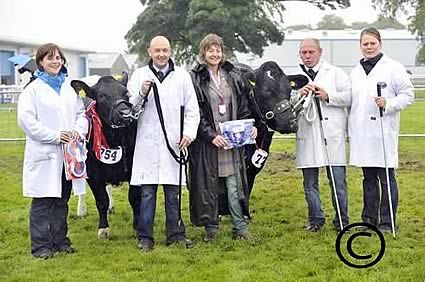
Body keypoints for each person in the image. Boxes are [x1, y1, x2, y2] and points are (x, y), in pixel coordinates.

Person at [128, 35, 200, 251]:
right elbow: (130, 108)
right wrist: (142, 92)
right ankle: (145, 237)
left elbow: (192, 109)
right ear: (149, 51)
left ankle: (176, 234)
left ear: (170, 52)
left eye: (165, 50)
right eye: (157, 50)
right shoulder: (139, 75)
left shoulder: (182, 77)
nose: (161, 54)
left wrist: (189, 133)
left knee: (173, 191)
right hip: (148, 144)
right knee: (147, 192)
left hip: (174, 142)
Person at [17, 43, 88, 259]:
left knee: (62, 200)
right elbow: (26, 121)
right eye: (50, 58)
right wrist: (55, 136)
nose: (55, 61)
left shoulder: (68, 87)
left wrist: (77, 131)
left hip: (68, 155)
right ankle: (41, 246)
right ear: (40, 62)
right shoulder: (33, 89)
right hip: (45, 154)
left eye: (58, 58)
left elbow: (81, 113)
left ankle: (60, 241)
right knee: (42, 201)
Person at [189, 33, 257, 241]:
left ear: (222, 52)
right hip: (209, 144)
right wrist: (210, 135)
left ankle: (240, 227)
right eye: (210, 50)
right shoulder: (195, 78)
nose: (215, 53)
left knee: (234, 185)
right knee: (210, 186)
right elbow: (195, 112)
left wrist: (250, 128)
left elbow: (244, 107)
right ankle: (211, 228)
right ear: (203, 53)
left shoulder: (233, 76)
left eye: (218, 49)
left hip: (232, 142)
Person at [349, 27, 414, 232]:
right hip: (363, 133)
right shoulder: (355, 71)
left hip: (383, 132)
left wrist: (389, 102)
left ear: (380, 44)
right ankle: (369, 220)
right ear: (360, 46)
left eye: (372, 43)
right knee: (368, 179)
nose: (369, 47)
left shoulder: (394, 68)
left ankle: (387, 222)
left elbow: (408, 95)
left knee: (386, 178)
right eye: (365, 44)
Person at [294, 38, 351, 232]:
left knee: (337, 181)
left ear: (320, 52)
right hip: (308, 133)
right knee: (310, 182)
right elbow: (285, 101)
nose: (307, 56)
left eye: (311, 52)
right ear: (300, 54)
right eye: (304, 53)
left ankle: (342, 220)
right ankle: (316, 219)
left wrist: (328, 96)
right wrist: (300, 93)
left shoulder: (335, 73)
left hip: (331, 134)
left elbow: (350, 96)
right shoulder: (294, 77)